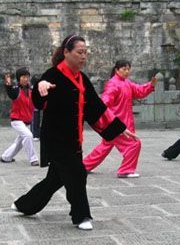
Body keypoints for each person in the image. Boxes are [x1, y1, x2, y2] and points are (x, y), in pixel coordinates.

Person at [11, 34, 135, 230]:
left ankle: (24, 205)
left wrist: (120, 128)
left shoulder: (82, 79)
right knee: (78, 173)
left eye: (86, 53)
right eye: (79, 52)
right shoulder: (52, 74)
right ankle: (81, 216)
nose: (83, 56)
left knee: (55, 179)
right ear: (66, 52)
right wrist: (41, 87)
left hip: (74, 139)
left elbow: (97, 107)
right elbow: (38, 99)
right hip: (55, 138)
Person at [83, 60, 157, 178]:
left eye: (128, 69)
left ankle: (84, 166)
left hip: (120, 122)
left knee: (104, 147)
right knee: (134, 144)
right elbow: (105, 101)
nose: (127, 71)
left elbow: (139, 91)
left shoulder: (126, 83)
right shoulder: (113, 84)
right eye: (124, 69)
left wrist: (150, 85)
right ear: (117, 70)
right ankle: (126, 170)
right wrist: (104, 114)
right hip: (116, 124)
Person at [1, 68, 39, 166]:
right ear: (19, 79)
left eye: (27, 77)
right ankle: (33, 159)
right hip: (16, 120)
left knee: (19, 143)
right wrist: (8, 84)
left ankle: (6, 157)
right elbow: (11, 93)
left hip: (26, 121)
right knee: (28, 135)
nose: (26, 79)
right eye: (23, 77)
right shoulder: (16, 89)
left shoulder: (31, 90)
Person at [30, 74, 42, 141]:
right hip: (33, 107)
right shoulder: (32, 88)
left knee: (36, 121)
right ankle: (34, 135)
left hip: (36, 107)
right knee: (34, 121)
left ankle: (36, 134)